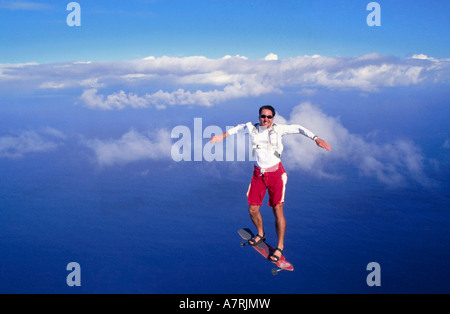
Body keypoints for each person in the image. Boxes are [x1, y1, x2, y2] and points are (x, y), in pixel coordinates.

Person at [210, 105, 331, 262]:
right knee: (253, 209)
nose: (265, 119)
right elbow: (237, 129)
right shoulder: (252, 128)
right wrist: (221, 136)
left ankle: (279, 246)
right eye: (263, 116)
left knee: (277, 210)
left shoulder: (279, 129)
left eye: (269, 117)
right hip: (258, 174)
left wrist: (316, 139)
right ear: (259, 116)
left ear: (273, 118)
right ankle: (261, 233)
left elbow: (299, 128)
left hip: (276, 175)